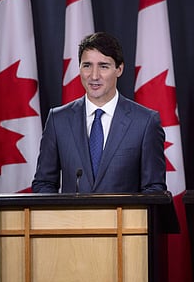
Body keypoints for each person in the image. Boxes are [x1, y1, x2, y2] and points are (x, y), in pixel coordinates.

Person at [32, 32, 166, 193]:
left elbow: (154, 189)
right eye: (87, 65)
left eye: (103, 66)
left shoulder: (145, 122)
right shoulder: (58, 120)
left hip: (123, 218)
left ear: (119, 69)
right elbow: (43, 184)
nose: (94, 76)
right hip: (72, 218)